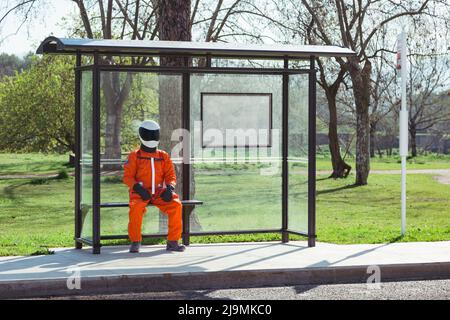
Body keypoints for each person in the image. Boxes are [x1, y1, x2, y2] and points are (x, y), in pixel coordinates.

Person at [122, 120, 185, 253]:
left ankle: (173, 241)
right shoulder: (135, 156)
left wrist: (169, 189)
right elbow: (128, 177)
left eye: (153, 134)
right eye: (149, 134)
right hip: (140, 192)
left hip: (158, 192)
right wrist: (138, 188)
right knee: (136, 208)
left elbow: (170, 176)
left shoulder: (163, 156)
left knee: (176, 205)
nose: (151, 137)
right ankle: (135, 241)